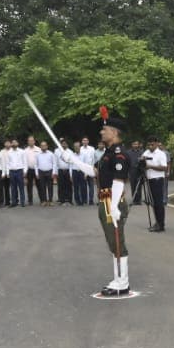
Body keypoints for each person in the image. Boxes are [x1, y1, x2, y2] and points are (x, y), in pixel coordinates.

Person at [62, 107, 131, 296]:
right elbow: (95, 172)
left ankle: (122, 282)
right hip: (106, 200)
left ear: (114, 133)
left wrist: (115, 205)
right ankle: (118, 279)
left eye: (105, 130)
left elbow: (118, 180)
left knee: (117, 242)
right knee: (112, 241)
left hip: (112, 200)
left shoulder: (119, 154)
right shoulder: (107, 154)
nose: (101, 132)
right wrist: (73, 161)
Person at [143, 136, 169, 232]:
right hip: (149, 179)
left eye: (152, 144)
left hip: (157, 180)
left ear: (157, 143)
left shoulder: (161, 154)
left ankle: (161, 225)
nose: (150, 146)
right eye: (149, 144)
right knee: (153, 203)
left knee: (158, 203)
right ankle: (157, 222)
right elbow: (142, 161)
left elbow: (164, 167)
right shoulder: (146, 152)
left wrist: (150, 166)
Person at [4, 139, 26, 208]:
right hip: (12, 171)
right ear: (11, 144)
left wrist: (25, 171)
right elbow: (7, 163)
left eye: (15, 142)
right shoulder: (9, 152)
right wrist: (7, 172)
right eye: (12, 142)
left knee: (21, 187)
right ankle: (14, 202)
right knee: (13, 188)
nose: (14, 143)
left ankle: (22, 202)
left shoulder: (22, 151)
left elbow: (25, 162)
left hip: (19, 171)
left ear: (18, 143)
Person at [34, 141, 56, 206]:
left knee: (50, 187)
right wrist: (36, 173)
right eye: (42, 145)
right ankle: (44, 201)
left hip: (49, 171)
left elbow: (54, 164)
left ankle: (50, 200)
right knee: (42, 187)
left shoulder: (51, 154)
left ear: (47, 146)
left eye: (44, 145)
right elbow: (36, 164)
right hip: (41, 172)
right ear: (40, 147)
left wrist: (53, 173)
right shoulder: (37, 154)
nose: (43, 147)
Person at [79, 137, 98, 204]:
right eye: (84, 140)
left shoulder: (92, 149)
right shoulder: (80, 149)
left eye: (86, 140)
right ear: (82, 141)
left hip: (90, 168)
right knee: (82, 185)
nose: (85, 141)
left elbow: (94, 159)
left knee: (91, 186)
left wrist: (93, 168)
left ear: (88, 141)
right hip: (83, 169)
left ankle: (91, 200)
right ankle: (84, 200)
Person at [24, 136, 41, 206]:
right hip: (29, 170)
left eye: (32, 140)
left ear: (34, 141)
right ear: (28, 142)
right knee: (29, 186)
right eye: (29, 141)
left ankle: (42, 199)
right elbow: (24, 162)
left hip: (37, 170)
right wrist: (25, 171)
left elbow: (40, 160)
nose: (31, 142)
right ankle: (30, 200)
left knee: (39, 185)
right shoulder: (25, 150)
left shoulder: (38, 149)